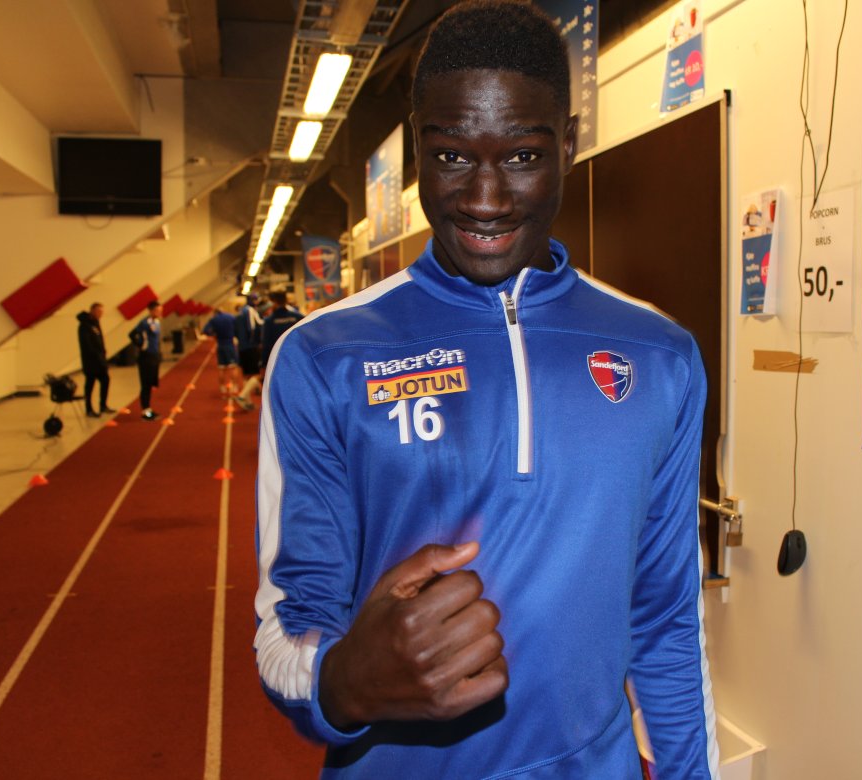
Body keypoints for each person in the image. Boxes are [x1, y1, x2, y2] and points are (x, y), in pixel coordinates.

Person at [254, 2, 719, 778]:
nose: (486, 199)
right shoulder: (324, 356)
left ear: (568, 145)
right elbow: (286, 632)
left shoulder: (658, 354)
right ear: (418, 151)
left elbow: (667, 619)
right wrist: (344, 681)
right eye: (451, 157)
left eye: (523, 156)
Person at [76, 302, 113, 417]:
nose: (100, 314)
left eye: (102, 312)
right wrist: (97, 356)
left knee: (105, 380)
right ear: (92, 311)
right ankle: (89, 409)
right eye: (98, 311)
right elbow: (87, 345)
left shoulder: (95, 323)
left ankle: (103, 405)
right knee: (89, 385)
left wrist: (103, 355)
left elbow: (99, 340)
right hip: (91, 362)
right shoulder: (84, 326)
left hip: (100, 360)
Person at [128, 299, 163, 421]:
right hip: (146, 357)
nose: (159, 313)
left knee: (151, 384)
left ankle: (148, 409)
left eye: (160, 310)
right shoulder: (144, 323)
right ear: (151, 310)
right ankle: (145, 411)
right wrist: (141, 345)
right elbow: (132, 334)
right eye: (157, 310)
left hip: (154, 356)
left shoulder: (157, 322)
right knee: (146, 384)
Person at [232, 293, 265, 411]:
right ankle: (242, 396)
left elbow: (235, 331)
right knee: (258, 374)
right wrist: (257, 342)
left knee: (247, 375)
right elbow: (255, 326)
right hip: (251, 347)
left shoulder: (239, 312)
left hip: (241, 347)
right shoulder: (251, 311)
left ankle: (248, 401)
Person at [259, 289, 303, 376]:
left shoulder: (269, 321)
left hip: (277, 362)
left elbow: (266, 345)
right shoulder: (298, 317)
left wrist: (263, 364)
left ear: (273, 301)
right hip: (297, 360)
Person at [202, 300, 240, 395]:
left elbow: (205, 330)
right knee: (233, 367)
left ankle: (222, 387)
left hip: (221, 345)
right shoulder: (231, 317)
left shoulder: (214, 319)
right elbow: (237, 328)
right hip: (230, 345)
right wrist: (234, 334)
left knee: (221, 368)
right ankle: (234, 386)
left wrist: (214, 334)